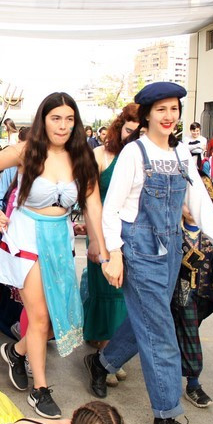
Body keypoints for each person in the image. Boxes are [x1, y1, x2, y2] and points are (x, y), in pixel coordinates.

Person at [86, 82, 213, 424]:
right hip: (138, 251)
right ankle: (166, 415)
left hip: (171, 252)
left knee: (147, 320)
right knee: (161, 333)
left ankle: (101, 363)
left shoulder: (182, 153)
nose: (169, 116)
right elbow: (111, 209)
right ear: (147, 115)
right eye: (161, 110)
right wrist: (114, 254)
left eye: (174, 109)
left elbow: (198, 200)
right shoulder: (134, 153)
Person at [0, 92, 108, 419]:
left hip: (60, 240)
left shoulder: (81, 157)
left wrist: (103, 248)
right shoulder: (26, 150)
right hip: (28, 238)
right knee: (40, 317)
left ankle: (16, 351)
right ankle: (40, 390)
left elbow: (93, 205)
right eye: (55, 118)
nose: (62, 126)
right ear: (43, 120)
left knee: (56, 315)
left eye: (69, 119)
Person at [83, 104, 138, 380]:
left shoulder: (143, 157)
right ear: (119, 127)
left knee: (124, 296)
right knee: (106, 291)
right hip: (101, 232)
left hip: (132, 235)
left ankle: (110, 354)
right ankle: (105, 354)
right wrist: (94, 240)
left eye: (138, 132)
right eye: (129, 130)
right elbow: (88, 199)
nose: (132, 136)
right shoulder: (100, 155)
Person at [170, 205, 213, 409]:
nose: (191, 208)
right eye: (186, 202)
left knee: (186, 332)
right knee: (190, 335)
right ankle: (193, 383)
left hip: (204, 295)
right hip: (178, 293)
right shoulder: (172, 230)